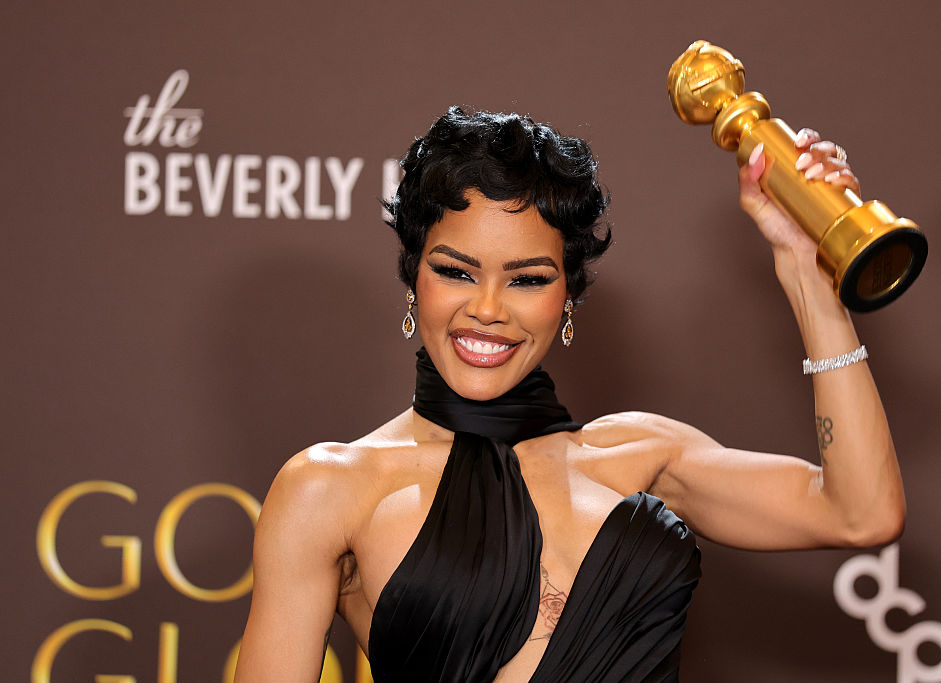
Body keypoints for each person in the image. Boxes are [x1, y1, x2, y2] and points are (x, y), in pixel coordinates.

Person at [233, 106, 905, 682]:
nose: (488, 309)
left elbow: (861, 512)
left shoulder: (642, 453)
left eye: (526, 279)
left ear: (569, 296)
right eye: (455, 271)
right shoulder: (332, 488)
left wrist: (806, 271)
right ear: (414, 276)